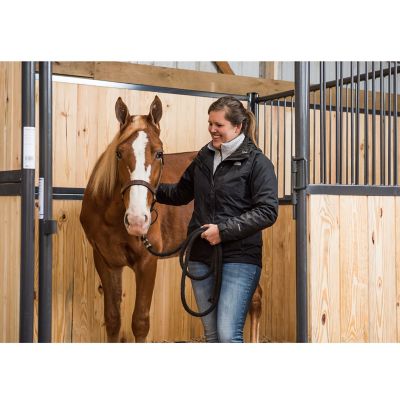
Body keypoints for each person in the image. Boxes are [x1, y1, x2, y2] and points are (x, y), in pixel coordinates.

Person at [156, 96, 278, 343]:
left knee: (227, 334)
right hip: (201, 256)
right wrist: (146, 189)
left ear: (237, 127)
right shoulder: (204, 158)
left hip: (239, 258)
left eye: (219, 125)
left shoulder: (258, 163)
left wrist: (223, 231)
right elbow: (180, 193)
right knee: (212, 337)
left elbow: (267, 210)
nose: (212, 129)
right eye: (210, 123)